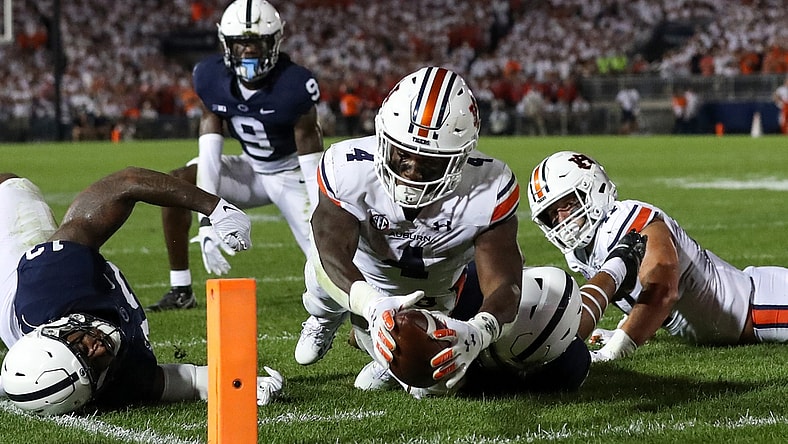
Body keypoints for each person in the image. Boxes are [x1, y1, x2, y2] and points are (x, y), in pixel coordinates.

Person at [294, 67, 642, 397]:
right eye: (402, 155)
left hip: (439, 293)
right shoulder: (349, 165)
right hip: (363, 279)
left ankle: (388, 359)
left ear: (460, 159)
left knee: (436, 377)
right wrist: (370, 304)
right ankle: (324, 317)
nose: (411, 171)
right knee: (319, 274)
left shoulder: (488, 186)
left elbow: (505, 282)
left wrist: (479, 330)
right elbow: (330, 250)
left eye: (430, 161)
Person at [0, 168, 282, 415]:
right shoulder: (115, 382)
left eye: (80, 346)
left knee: (9, 188)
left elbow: (125, 182)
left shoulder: (54, 280)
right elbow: (185, 381)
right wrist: (238, 382)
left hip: (16, 277)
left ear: (57, 330)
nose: (96, 349)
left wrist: (215, 208)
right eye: (92, 365)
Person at [527, 151, 788, 363]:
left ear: (592, 190)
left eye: (567, 205)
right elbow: (651, 303)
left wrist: (621, 343)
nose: (561, 221)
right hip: (730, 317)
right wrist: (626, 326)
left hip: (760, 306)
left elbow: (663, 289)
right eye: (551, 214)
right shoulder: (581, 252)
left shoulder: (629, 221)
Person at [150, 0, 323, 311]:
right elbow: (210, 152)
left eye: (255, 42)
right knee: (178, 184)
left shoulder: (294, 83)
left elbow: (311, 157)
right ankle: (180, 290)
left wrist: (321, 213)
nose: (248, 51)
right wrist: (206, 220)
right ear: (226, 44)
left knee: (325, 253)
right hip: (252, 170)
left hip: (292, 173)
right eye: (240, 43)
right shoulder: (209, 77)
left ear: (274, 42)